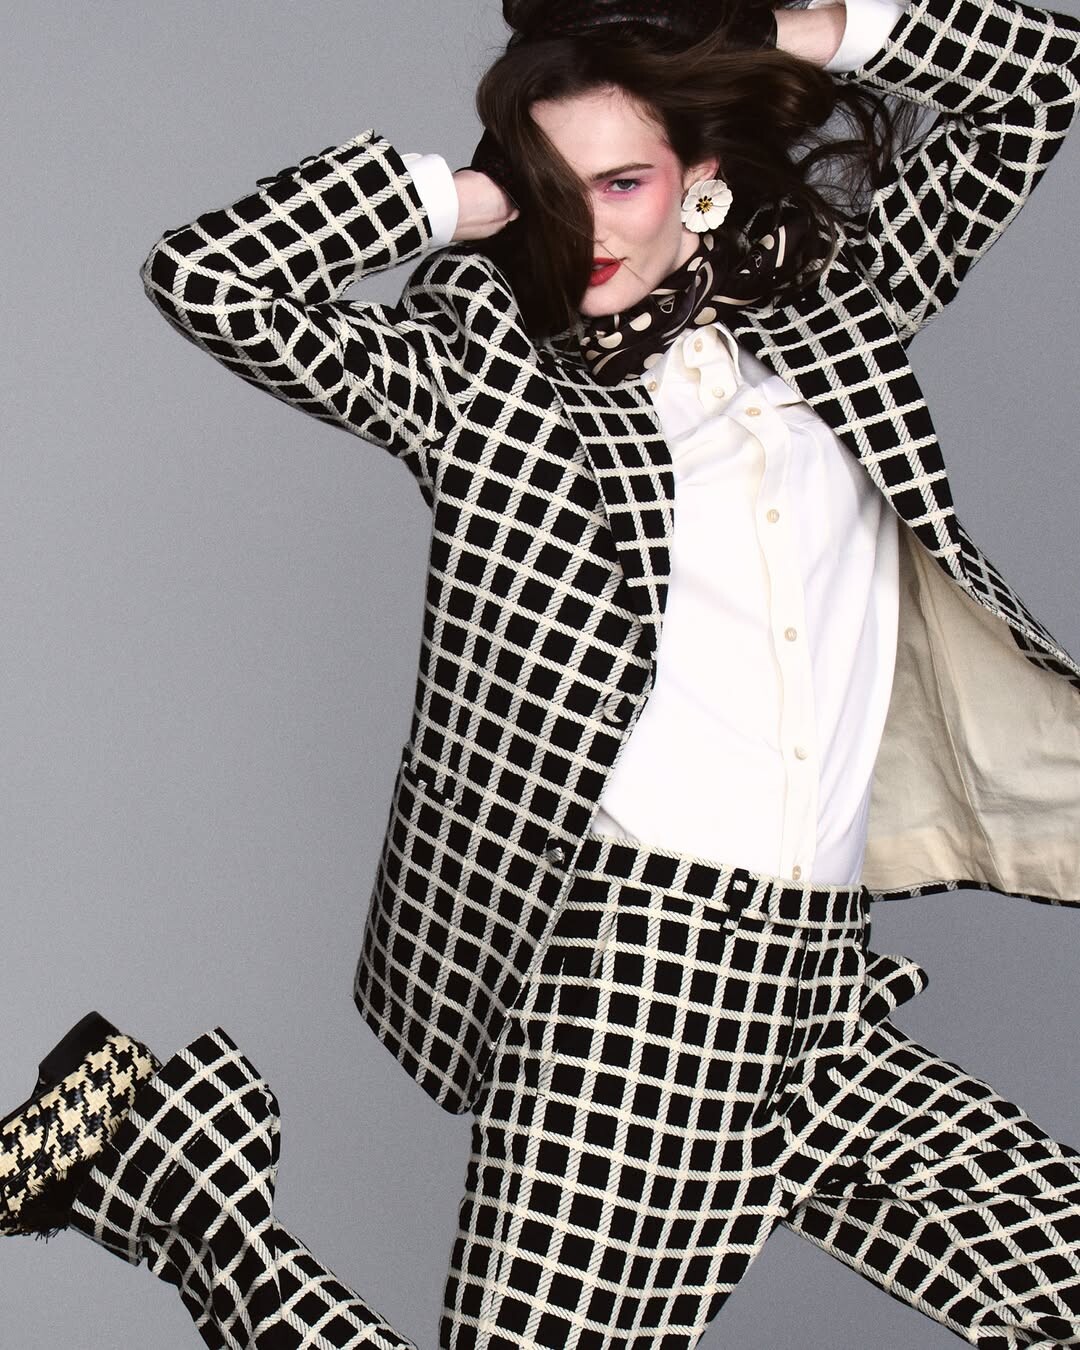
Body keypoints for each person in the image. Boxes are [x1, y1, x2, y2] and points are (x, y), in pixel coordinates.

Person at [4, 0, 1080, 1344]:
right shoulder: (492, 391)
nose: (595, 228)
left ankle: (154, 1163)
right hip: (634, 991)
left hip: (821, 982)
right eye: (556, 191)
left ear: (701, 181)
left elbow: (1041, 80)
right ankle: (190, 1198)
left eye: (625, 184)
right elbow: (212, 280)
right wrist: (463, 203)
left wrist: (768, 30)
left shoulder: (841, 317)